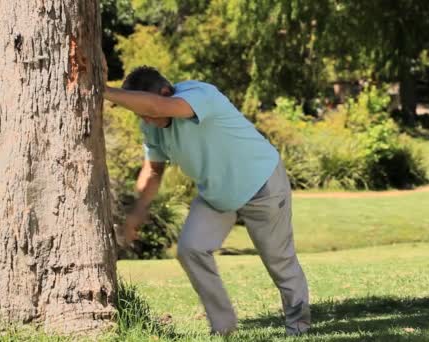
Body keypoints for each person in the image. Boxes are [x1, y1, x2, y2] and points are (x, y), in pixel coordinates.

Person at [102, 60, 311, 336]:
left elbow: (156, 108)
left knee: (280, 262)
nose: (146, 120)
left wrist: (101, 89)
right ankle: (223, 328)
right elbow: (153, 170)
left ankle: (298, 328)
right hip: (216, 194)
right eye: (141, 114)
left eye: (146, 112)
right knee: (191, 248)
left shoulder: (199, 95)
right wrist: (137, 213)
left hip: (261, 184)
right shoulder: (151, 124)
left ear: (166, 92)